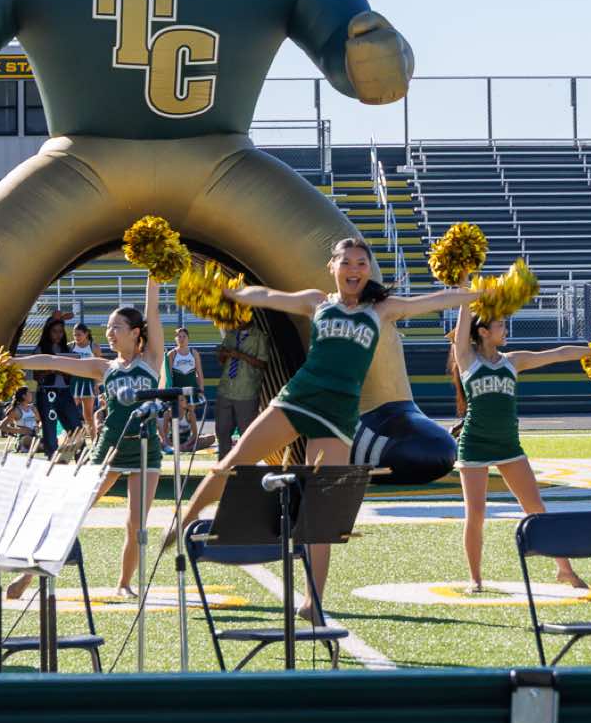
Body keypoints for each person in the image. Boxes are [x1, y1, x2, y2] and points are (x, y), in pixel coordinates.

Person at [172, 238, 473, 613]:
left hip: (339, 413)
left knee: (322, 510)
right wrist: (233, 293)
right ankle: (184, 520)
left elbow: (434, 301)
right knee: (234, 461)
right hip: (299, 397)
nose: (354, 269)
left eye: (361, 263)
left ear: (369, 270)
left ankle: (312, 601)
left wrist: (476, 291)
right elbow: (268, 296)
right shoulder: (317, 301)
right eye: (346, 262)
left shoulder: (381, 309)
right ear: (332, 267)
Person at [10, 275, 166, 596]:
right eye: (107, 328)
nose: (109, 333)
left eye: (116, 327)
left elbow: (152, 311)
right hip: (109, 448)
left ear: (135, 332)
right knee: (72, 512)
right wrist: (14, 361)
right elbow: (54, 361)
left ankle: (124, 584)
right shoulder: (104, 368)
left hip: (145, 450)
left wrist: (153, 280)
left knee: (135, 524)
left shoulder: (151, 361)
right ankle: (28, 575)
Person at [450, 312, 591, 592]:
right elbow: (461, 326)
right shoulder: (467, 359)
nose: (505, 329)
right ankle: (475, 579)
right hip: (475, 444)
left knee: (536, 508)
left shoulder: (513, 361)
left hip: (507, 444)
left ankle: (564, 570)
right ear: (483, 332)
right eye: (500, 325)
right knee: (476, 514)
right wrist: (466, 294)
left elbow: (558, 354)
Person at [212, 321, 270, 453]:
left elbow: (263, 364)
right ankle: (224, 464)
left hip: (246, 393)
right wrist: (222, 355)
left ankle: (245, 465)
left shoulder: (260, 337)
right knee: (222, 432)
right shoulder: (231, 334)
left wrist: (240, 355)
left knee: (247, 435)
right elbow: (223, 361)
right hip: (225, 390)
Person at [31, 313, 80, 456]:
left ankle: (80, 456)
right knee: (49, 429)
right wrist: (50, 370)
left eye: (60, 332)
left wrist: (63, 370)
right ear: (48, 332)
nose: (58, 335)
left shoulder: (67, 350)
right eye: (54, 331)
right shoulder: (40, 350)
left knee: (75, 426)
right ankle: (51, 457)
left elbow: (71, 374)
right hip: (46, 393)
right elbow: (35, 376)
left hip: (65, 392)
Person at [163, 326, 205, 449]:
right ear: (175, 339)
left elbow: (199, 373)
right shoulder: (172, 354)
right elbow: (168, 376)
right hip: (177, 389)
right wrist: (170, 392)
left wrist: (201, 389)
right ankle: (172, 441)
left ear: (188, 338)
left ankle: (189, 440)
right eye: (179, 336)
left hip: (191, 388)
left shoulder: (194, 353)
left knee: (190, 412)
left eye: (184, 336)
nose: (181, 339)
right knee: (174, 413)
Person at [69, 322, 101, 439]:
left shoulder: (94, 347)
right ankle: (70, 439)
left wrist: (96, 384)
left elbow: (98, 367)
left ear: (86, 334)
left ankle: (94, 440)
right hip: (73, 382)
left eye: (79, 335)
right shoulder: (70, 346)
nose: (76, 337)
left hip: (88, 382)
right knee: (69, 413)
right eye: (74, 335)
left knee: (88, 415)